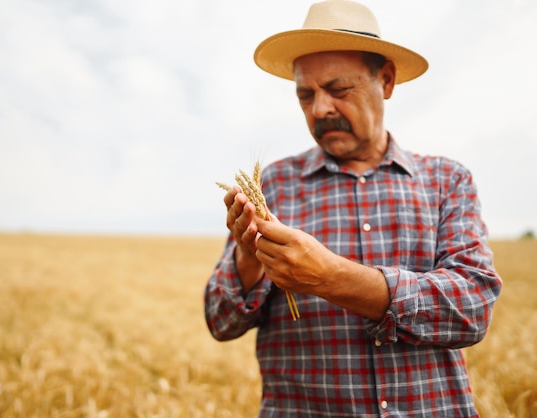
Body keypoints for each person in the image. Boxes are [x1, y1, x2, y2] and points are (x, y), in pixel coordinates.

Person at [204, 0, 503, 416]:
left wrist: (331, 277)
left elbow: (472, 309)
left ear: (386, 80)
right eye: (305, 94)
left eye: (338, 89)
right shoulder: (271, 185)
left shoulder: (446, 180)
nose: (319, 109)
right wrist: (249, 257)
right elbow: (220, 322)